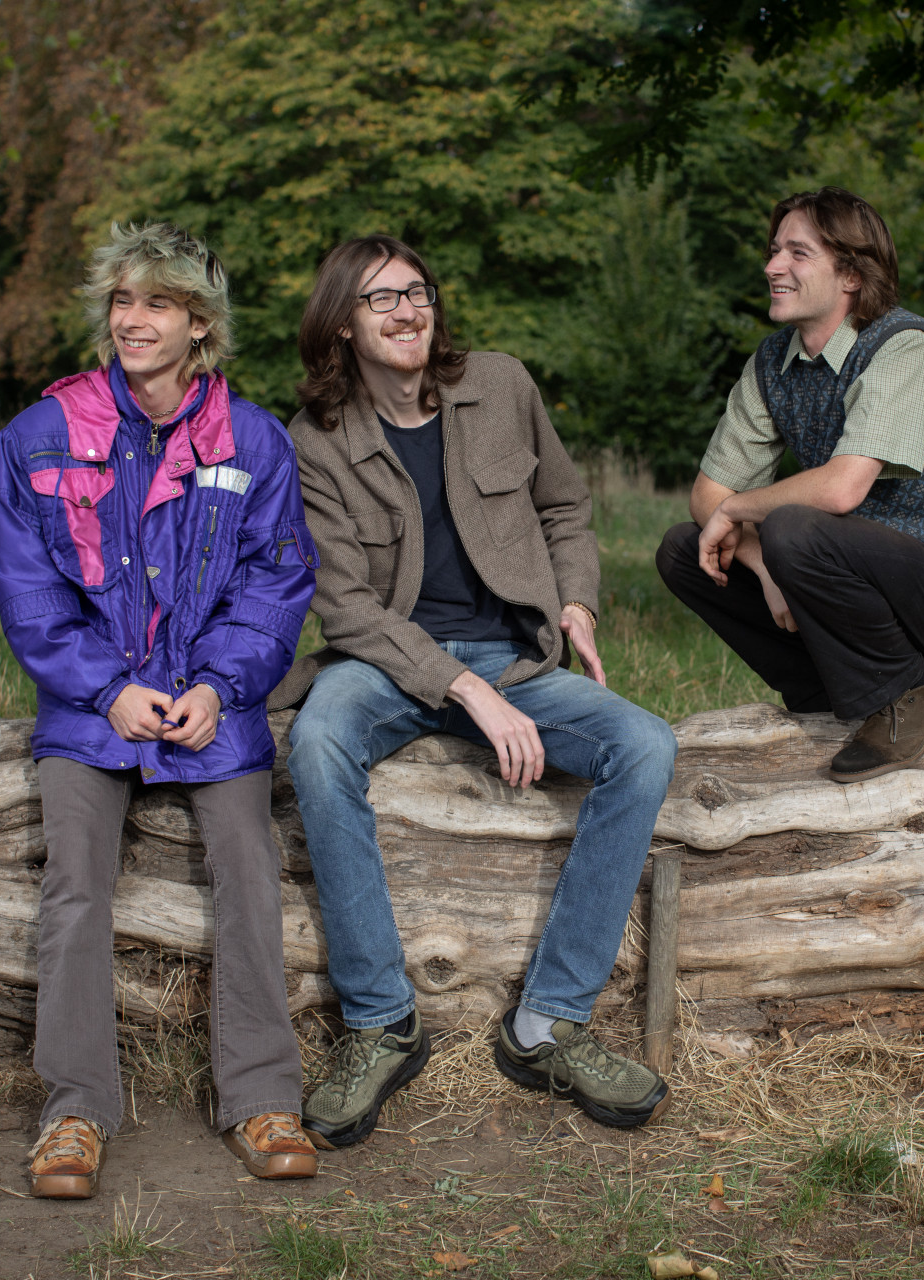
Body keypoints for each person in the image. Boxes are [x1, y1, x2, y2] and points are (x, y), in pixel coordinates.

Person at [270, 234, 677, 1148]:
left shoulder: (501, 384)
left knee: (646, 745)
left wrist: (576, 601)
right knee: (318, 740)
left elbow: (565, 507)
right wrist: (463, 691)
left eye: (418, 292)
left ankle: (547, 1026)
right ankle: (381, 1022)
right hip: (387, 663)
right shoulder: (317, 442)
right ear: (341, 324)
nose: (409, 311)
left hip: (515, 658)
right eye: (383, 300)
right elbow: (343, 607)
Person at [0, 222, 323, 1198]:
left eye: (159, 303)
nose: (134, 320)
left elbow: (275, 580)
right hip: (91, 707)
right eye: (122, 301)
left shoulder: (252, 439)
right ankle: (74, 1110)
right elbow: (30, 591)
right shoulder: (39, 435)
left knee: (252, 868)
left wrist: (220, 684)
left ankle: (262, 1097)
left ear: (198, 323)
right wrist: (106, 688)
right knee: (75, 881)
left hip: (217, 708)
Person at [656, 187, 924, 782]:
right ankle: (820, 690)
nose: (772, 267)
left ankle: (914, 691)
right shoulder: (772, 364)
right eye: (773, 251)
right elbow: (706, 497)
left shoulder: (902, 345)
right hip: (853, 575)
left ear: (850, 273)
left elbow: (842, 489)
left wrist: (747, 513)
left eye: (797, 253)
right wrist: (764, 567)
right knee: (682, 550)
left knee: (793, 526)